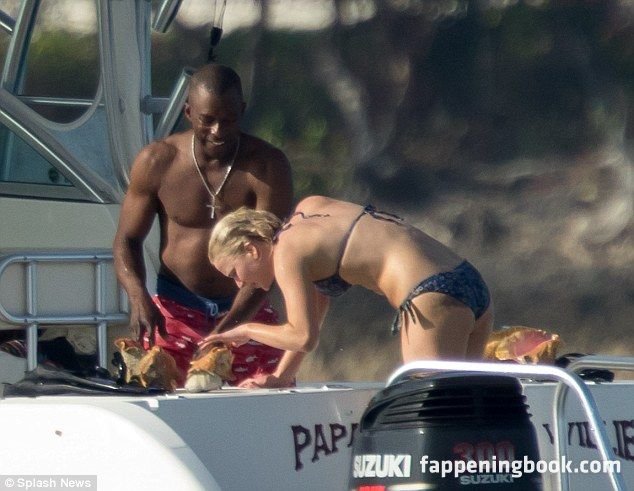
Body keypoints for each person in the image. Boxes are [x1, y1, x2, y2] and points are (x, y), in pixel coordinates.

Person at [113, 64, 293, 387]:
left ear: (242, 111)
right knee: (160, 394)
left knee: (268, 395)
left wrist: (229, 328)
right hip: (175, 308)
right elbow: (127, 240)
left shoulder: (267, 166)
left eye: (228, 120)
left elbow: (270, 256)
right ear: (188, 112)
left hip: (246, 310)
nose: (218, 131)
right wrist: (138, 296)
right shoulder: (157, 161)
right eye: (207, 120)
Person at [199, 195, 493, 387]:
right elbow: (314, 315)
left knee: (435, 411)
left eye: (234, 273)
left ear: (251, 249)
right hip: (469, 281)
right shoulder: (311, 209)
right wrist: (280, 377)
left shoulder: (286, 251)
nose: (239, 284)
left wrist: (247, 329)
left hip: (431, 297)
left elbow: (302, 337)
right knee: (465, 408)